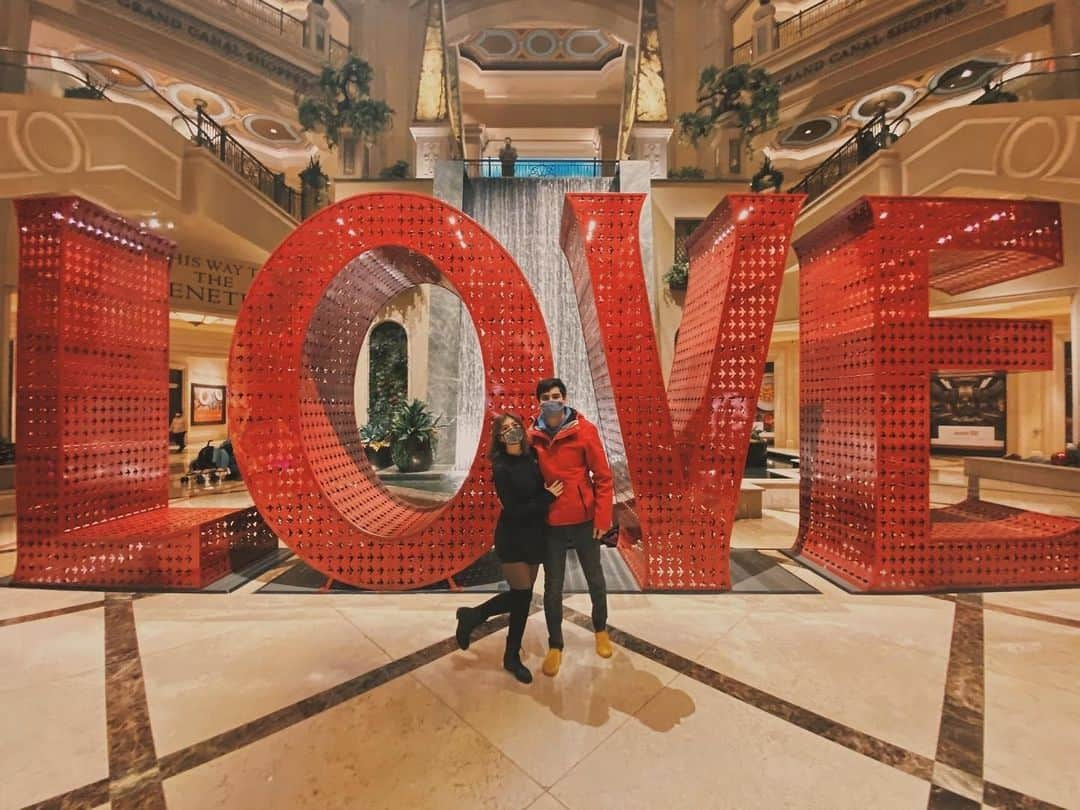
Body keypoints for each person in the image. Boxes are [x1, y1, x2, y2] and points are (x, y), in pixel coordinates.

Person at [455, 413, 564, 683]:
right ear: (499, 437)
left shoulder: (534, 457)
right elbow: (514, 510)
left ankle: (473, 615)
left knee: (521, 598)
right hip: (513, 536)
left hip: (536, 535)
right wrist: (548, 497)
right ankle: (510, 656)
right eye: (506, 429)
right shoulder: (501, 467)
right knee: (522, 594)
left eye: (516, 425)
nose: (513, 430)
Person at [527, 377, 614, 677]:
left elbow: (603, 477)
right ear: (538, 402)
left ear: (564, 398)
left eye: (556, 395)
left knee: (595, 580)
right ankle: (555, 644)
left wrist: (603, 518)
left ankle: (600, 629)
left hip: (584, 520)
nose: (551, 401)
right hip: (551, 523)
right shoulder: (533, 436)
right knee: (552, 589)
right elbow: (528, 479)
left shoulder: (584, 431)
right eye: (545, 397)